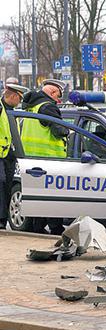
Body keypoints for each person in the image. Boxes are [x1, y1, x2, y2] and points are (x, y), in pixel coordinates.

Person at [0, 80, 29, 229]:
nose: (20, 101)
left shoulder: (12, 112)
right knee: (2, 184)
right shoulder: (1, 109)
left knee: (7, 187)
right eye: (19, 97)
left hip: (9, 157)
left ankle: (3, 220)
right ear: (12, 96)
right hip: (1, 156)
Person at [21, 79, 68, 158]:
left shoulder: (32, 106)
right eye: (58, 96)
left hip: (28, 155)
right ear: (52, 93)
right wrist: (68, 130)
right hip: (48, 157)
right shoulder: (48, 107)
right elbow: (60, 131)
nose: (58, 100)